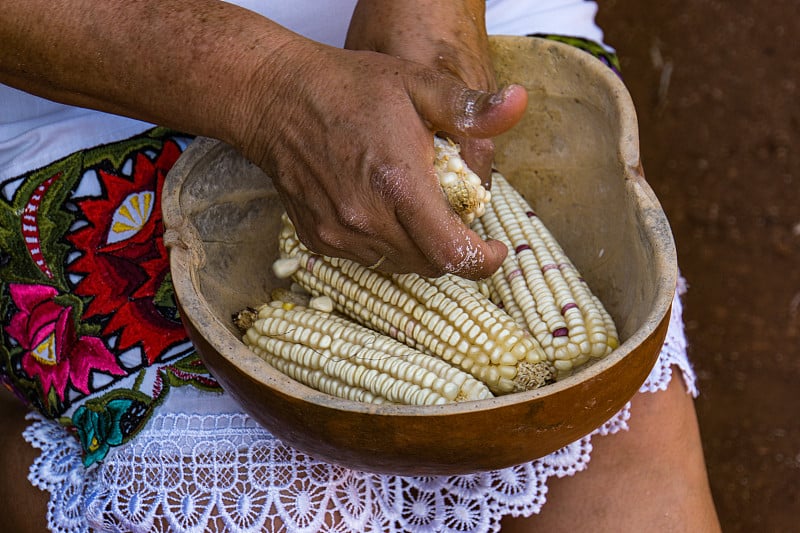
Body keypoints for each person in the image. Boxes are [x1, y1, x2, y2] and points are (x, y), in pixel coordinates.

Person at [0, 1, 720, 531]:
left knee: (634, 502)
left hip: (473, 22)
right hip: (86, 89)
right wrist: (271, 91)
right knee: (294, 510)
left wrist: (435, 27)